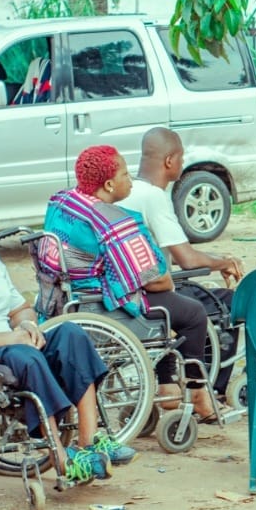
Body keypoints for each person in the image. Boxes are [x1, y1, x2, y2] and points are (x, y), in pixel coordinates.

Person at [0, 194, 136, 484]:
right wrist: (6, 338)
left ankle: (90, 443)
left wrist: (28, 326)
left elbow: (20, 309)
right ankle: (61, 460)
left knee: (71, 334)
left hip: (13, 342)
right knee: (27, 357)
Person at [41, 145, 220, 421]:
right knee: (192, 312)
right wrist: (165, 280)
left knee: (170, 308)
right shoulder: (115, 222)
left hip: (64, 300)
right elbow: (156, 281)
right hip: (100, 310)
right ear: (110, 184)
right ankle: (197, 392)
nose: (131, 180)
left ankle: (167, 386)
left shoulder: (63, 202)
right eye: (125, 174)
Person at [118, 127, 244, 396]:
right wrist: (225, 262)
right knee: (228, 302)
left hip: (128, 286)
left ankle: (167, 384)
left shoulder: (124, 192)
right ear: (169, 161)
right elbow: (186, 258)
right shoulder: (154, 197)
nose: (183, 163)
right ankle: (211, 389)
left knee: (190, 294)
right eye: (182, 157)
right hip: (149, 288)